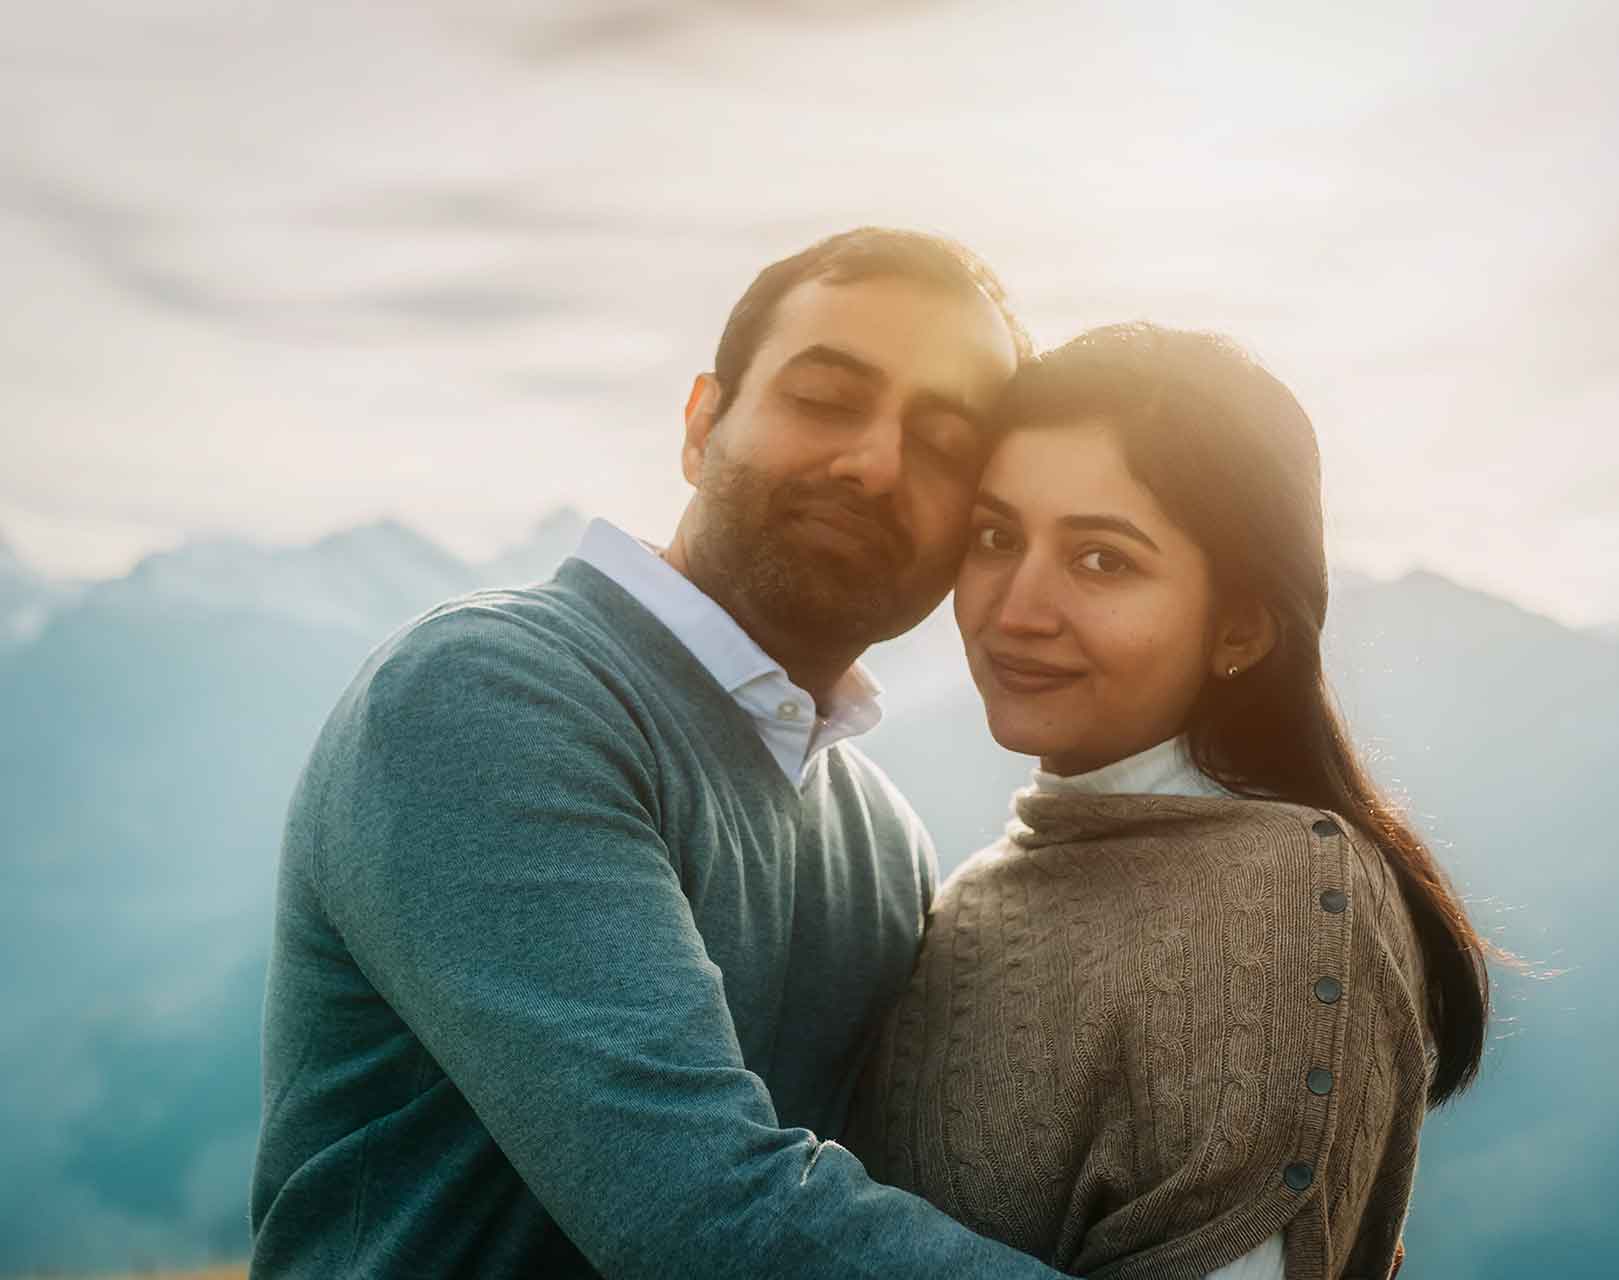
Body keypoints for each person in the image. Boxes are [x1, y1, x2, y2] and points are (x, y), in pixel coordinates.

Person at [248, 228, 1069, 1278]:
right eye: (825, 398)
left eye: (945, 442)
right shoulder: (487, 690)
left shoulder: (880, 840)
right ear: (702, 423)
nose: (873, 462)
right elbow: (696, 1208)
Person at [846, 324, 1492, 1280]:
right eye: (996, 537)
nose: (1015, 607)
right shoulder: (980, 886)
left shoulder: (1281, 897)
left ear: (1239, 624)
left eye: (1103, 560)